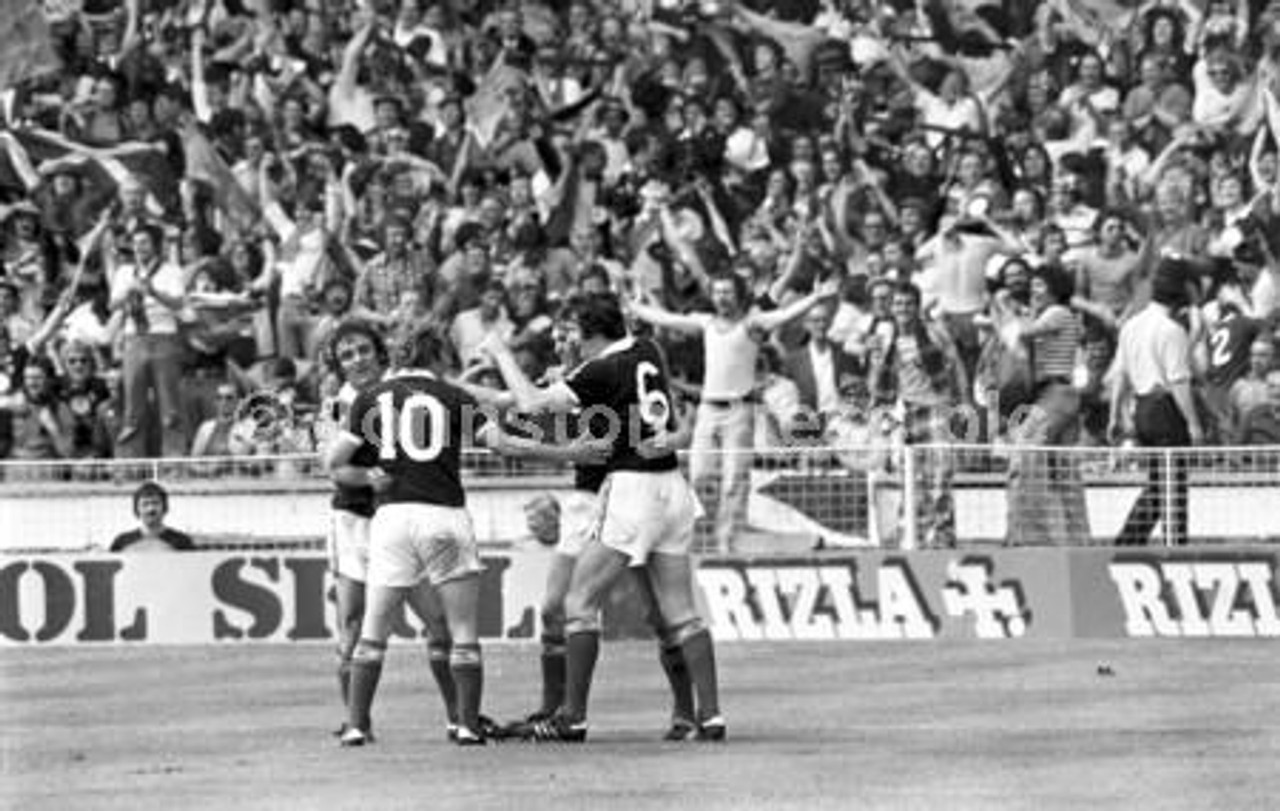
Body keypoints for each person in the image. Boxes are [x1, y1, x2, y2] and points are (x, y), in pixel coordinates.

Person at [482, 293, 725, 743]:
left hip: (632, 489)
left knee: (580, 603)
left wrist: (499, 353)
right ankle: (709, 716)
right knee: (681, 613)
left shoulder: (599, 369)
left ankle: (572, 717)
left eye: (573, 328)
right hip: (672, 487)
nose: (566, 337)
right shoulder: (646, 349)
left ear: (593, 332)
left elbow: (531, 404)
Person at [319, 320, 486, 745]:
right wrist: (366, 476)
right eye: (346, 355)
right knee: (355, 621)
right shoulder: (342, 403)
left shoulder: (383, 396)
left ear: (384, 353)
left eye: (362, 350)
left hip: (393, 519)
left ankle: (452, 716)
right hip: (361, 520)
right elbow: (335, 467)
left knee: (432, 624)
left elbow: (334, 459)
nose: (356, 360)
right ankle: (360, 720)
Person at [627, 273, 838, 553]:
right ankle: (697, 537)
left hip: (739, 412)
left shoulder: (752, 324)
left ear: (738, 295)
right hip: (708, 410)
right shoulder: (706, 323)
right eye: (718, 291)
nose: (722, 297)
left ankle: (726, 544)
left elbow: (784, 316)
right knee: (699, 476)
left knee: (733, 484)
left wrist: (814, 298)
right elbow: (668, 319)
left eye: (727, 291)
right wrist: (636, 307)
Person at [1109, 259, 1204, 546]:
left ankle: (1129, 542)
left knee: (1158, 483)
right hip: (1166, 410)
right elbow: (1179, 382)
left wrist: (1115, 415)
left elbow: (1120, 374)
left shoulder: (1131, 325)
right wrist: (1194, 424)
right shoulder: (1171, 330)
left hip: (1141, 408)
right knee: (1172, 485)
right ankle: (1173, 547)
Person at [109, 482, 196, 552]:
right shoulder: (122, 542)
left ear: (165, 507)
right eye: (145, 504)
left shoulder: (182, 543)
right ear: (137, 509)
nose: (151, 509)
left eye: (155, 503)